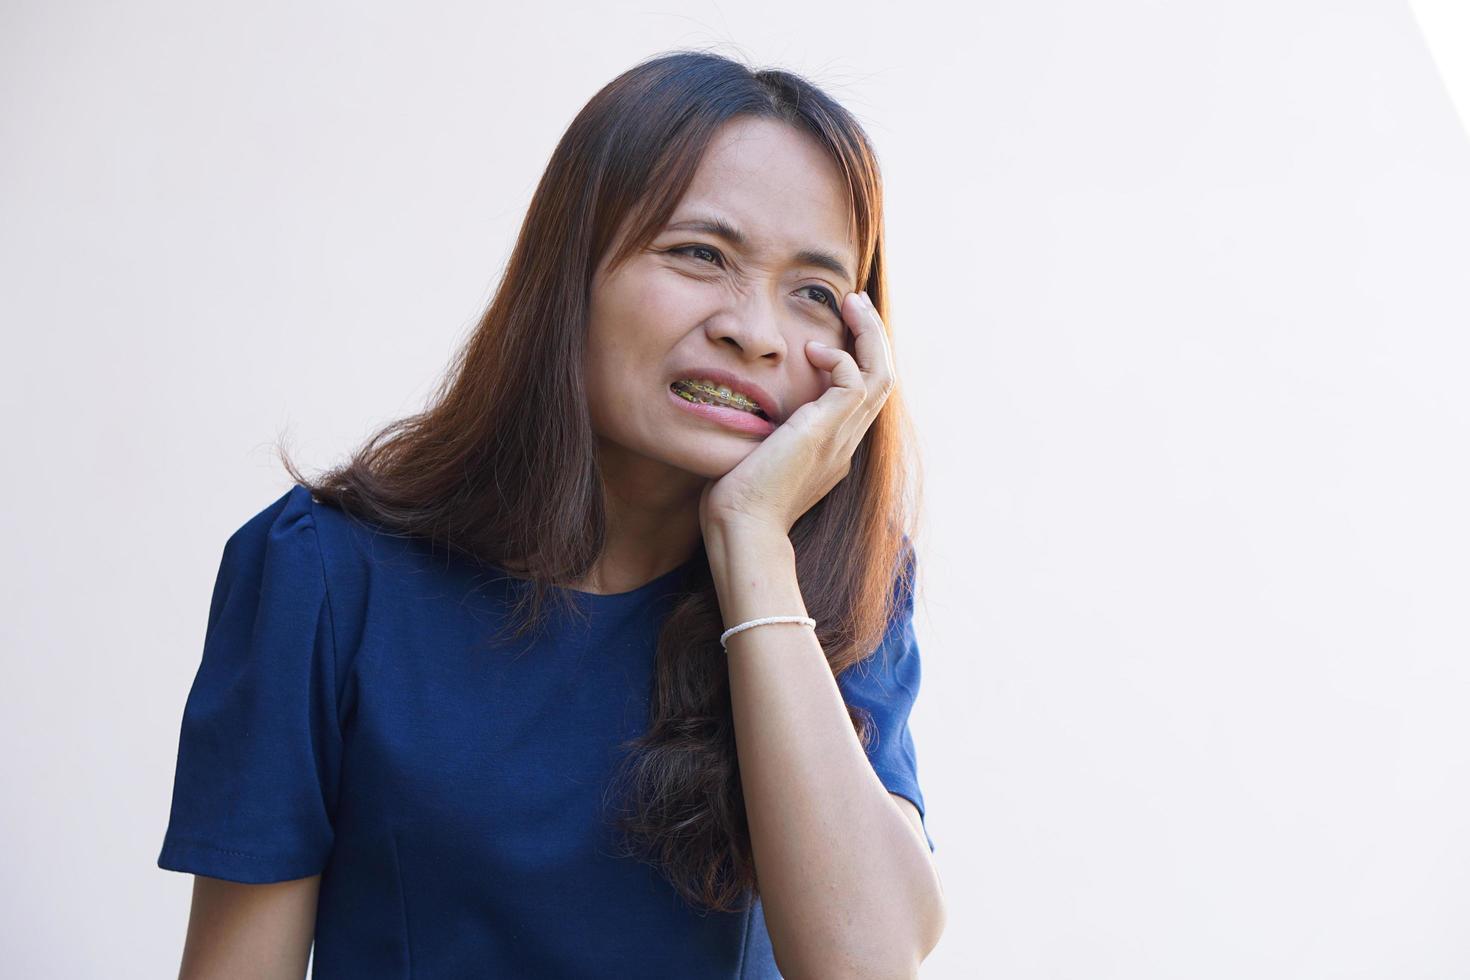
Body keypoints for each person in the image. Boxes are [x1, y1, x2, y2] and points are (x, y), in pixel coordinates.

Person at [157, 49, 945, 978]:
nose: (757, 332)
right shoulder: (323, 576)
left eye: (814, 292)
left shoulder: (838, 586)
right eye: (701, 254)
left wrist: (753, 548)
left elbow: (868, 962)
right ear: (571, 272)